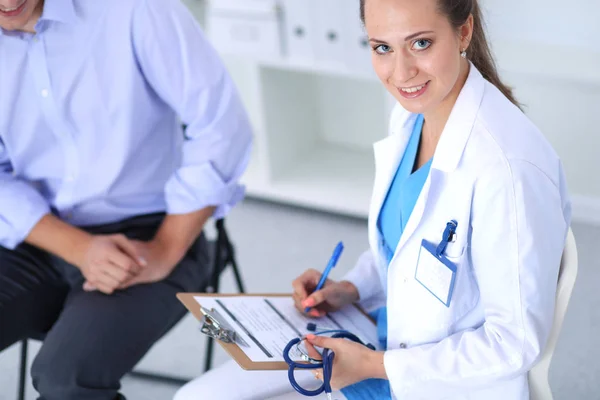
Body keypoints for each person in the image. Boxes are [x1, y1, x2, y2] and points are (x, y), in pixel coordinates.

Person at [174, 0, 571, 398]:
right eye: (382, 47)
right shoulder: (414, 114)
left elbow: (514, 344)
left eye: (420, 44)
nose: (401, 73)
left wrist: (373, 365)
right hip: (378, 336)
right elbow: (406, 251)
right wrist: (351, 288)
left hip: (437, 382)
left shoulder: (508, 170)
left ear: (464, 32)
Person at [0, 0, 252, 398]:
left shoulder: (136, 9)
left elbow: (222, 128)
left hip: (151, 233)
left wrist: (166, 248)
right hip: (32, 233)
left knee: (66, 379)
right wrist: (80, 248)